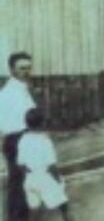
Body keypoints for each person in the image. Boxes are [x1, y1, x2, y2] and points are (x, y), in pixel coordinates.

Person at [17, 109, 74, 221]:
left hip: (30, 178)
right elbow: (51, 165)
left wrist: (28, 175)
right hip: (45, 178)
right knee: (64, 205)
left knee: (34, 209)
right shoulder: (45, 141)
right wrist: (58, 180)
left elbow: (21, 164)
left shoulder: (22, 140)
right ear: (42, 124)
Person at [1, 52, 36, 221]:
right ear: (12, 70)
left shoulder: (22, 88)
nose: (27, 72)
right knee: (17, 183)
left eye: (29, 68)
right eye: (22, 68)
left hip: (24, 138)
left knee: (23, 182)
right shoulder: (9, 93)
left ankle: (21, 216)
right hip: (15, 140)